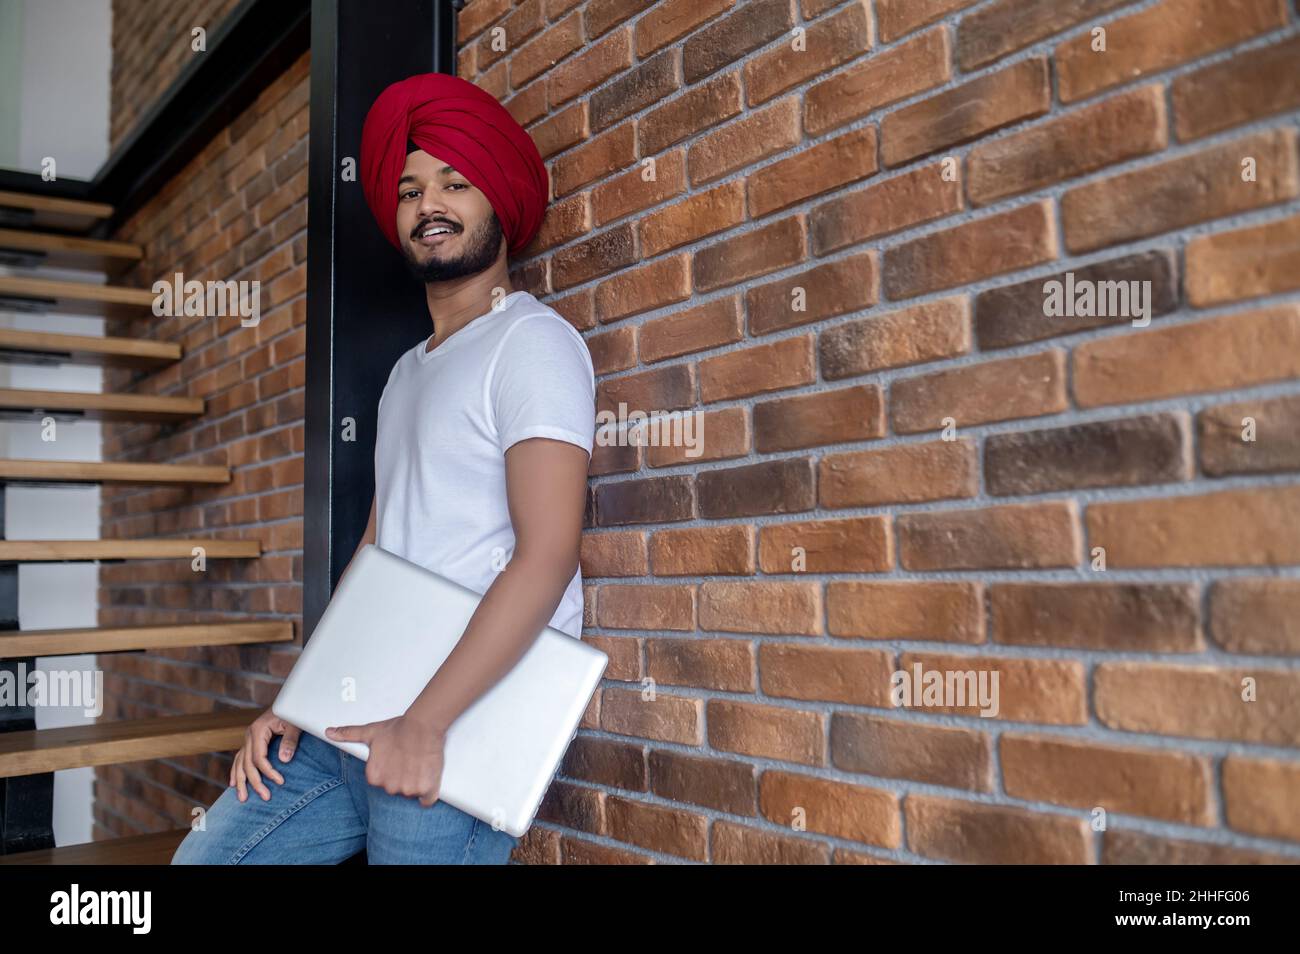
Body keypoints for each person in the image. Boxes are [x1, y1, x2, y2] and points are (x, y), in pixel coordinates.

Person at [172, 73, 595, 865]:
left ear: (498, 202)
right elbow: (374, 553)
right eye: (409, 190)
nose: (428, 203)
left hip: (456, 731)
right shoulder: (407, 374)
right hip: (354, 709)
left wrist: (427, 721)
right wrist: (297, 702)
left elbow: (547, 557)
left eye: (455, 182)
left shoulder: (530, 344)